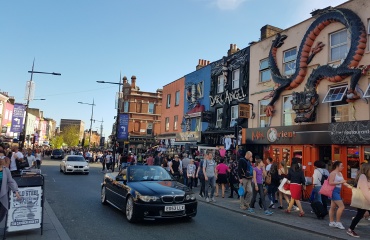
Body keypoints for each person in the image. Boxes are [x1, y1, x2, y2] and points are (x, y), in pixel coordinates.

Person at [347, 163, 370, 238]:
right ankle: (350, 229)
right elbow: (365, 191)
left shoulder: (366, 177)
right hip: (364, 200)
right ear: (367, 169)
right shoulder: (363, 177)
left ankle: (350, 229)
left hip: (366, 200)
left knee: (359, 215)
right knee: (359, 215)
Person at [328, 160, 352, 230]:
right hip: (334, 191)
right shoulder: (333, 173)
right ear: (337, 166)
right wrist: (340, 182)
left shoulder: (340, 173)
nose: (343, 167)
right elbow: (330, 182)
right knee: (342, 207)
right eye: (341, 166)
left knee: (332, 207)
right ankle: (338, 222)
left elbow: (343, 182)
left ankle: (331, 222)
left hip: (337, 190)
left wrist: (350, 187)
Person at [0, 157, 21, 222]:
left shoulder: (6, 170)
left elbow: (10, 181)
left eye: (3, 158)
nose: (2, 159)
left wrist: (16, 191)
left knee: (2, 213)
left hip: (2, 195)